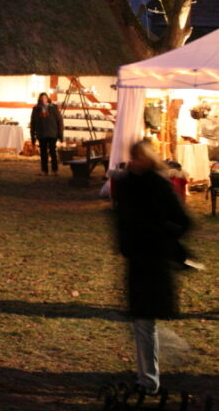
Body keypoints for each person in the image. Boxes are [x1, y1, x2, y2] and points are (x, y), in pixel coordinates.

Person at [112, 140, 193, 396]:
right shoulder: (126, 184)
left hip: (154, 262)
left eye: (138, 157)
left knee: (144, 320)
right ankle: (152, 372)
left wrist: (160, 237)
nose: (133, 162)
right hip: (137, 260)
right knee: (140, 321)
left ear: (147, 159)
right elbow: (123, 219)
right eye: (131, 157)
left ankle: (149, 380)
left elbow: (182, 221)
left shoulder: (159, 186)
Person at [30, 93, 64, 176]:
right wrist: (33, 137)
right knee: (43, 153)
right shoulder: (36, 109)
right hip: (41, 134)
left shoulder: (53, 108)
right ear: (39, 99)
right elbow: (33, 123)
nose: (43, 99)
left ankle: (55, 170)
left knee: (53, 152)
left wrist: (60, 134)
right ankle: (44, 171)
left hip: (52, 133)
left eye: (45, 98)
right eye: (42, 98)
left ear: (47, 99)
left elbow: (59, 121)